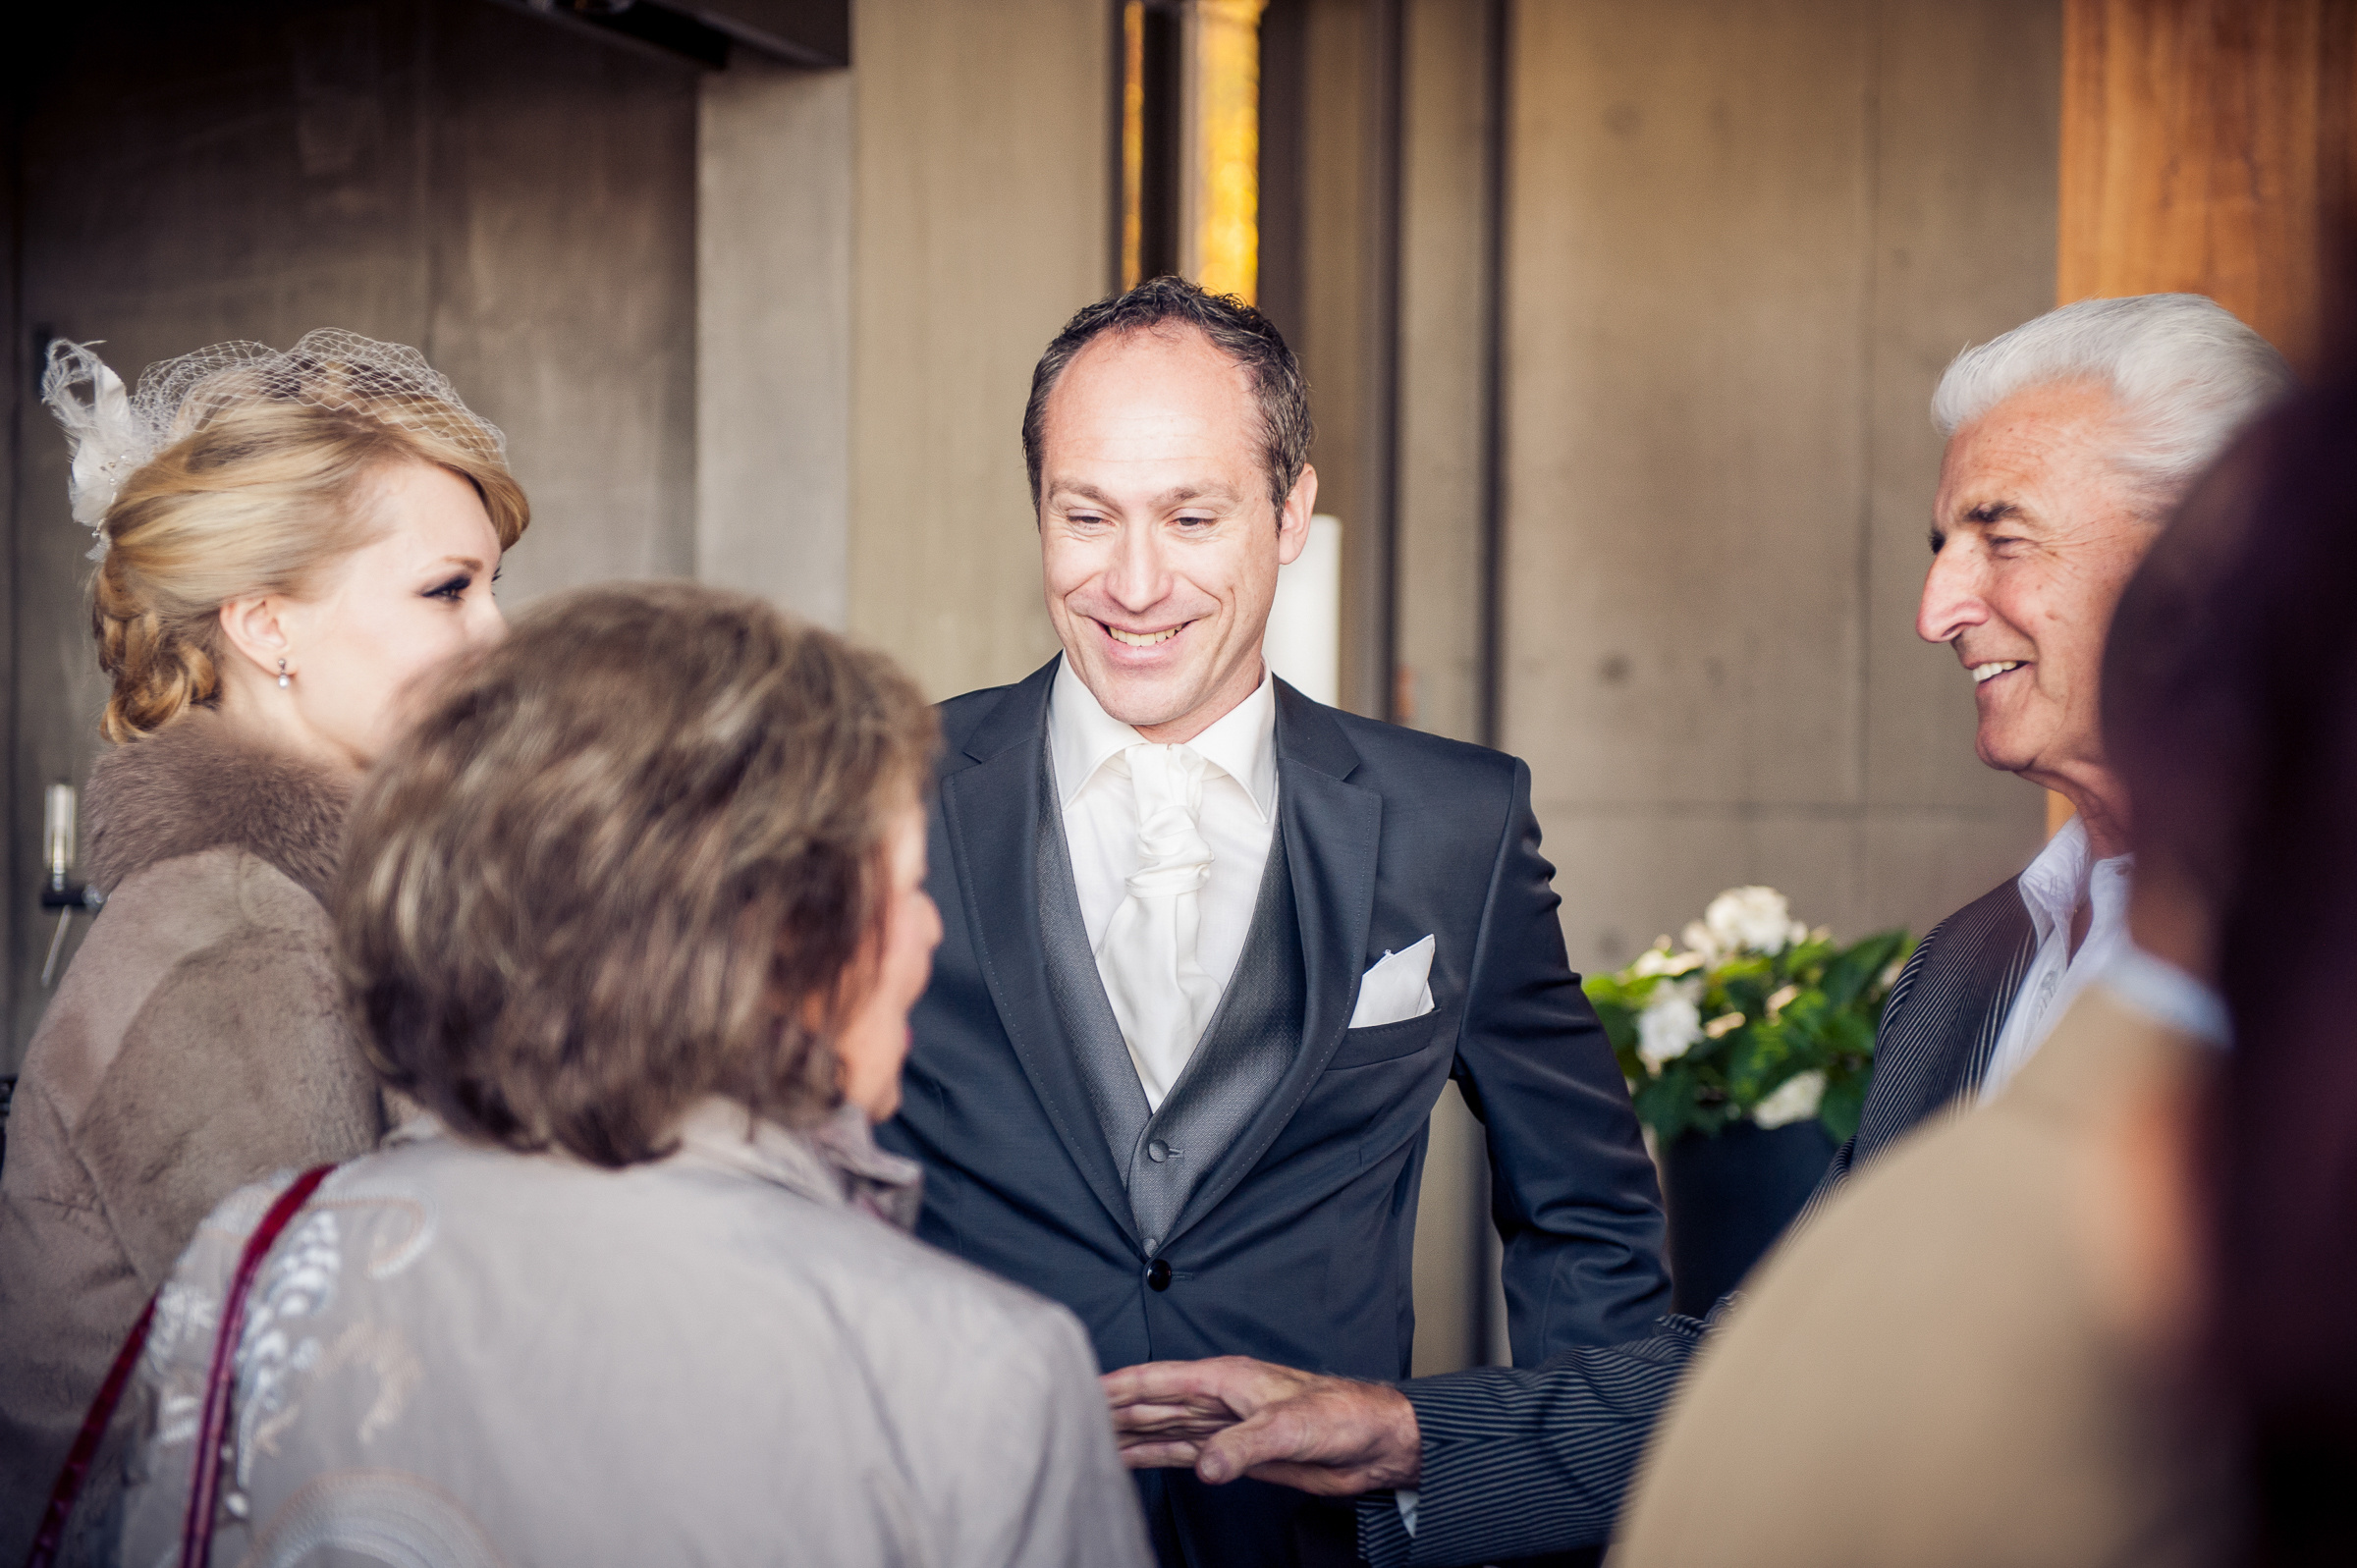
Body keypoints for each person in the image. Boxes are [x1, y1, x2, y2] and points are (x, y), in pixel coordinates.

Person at [1101, 293, 2292, 1566]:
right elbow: (1789, 1351)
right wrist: (1406, 1436)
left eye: (1999, 539)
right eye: (1942, 543)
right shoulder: (1967, 970)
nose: (1937, 607)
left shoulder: (2310, 983)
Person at [92, 582, 1152, 1567]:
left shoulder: (251, 1256)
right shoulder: (986, 1377)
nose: (927, 933)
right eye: (905, 888)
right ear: (775, 940)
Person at [875, 275, 1671, 1565]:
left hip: (1309, 1542)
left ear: (1292, 511)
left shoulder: (1453, 821)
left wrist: (1559, 1499)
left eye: (1193, 515)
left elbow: (1584, 1207)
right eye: (1087, 516)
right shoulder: (875, 789)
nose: (1135, 583)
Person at [0, 331, 528, 1561]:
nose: (500, 637)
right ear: (264, 625)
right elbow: (354, 1415)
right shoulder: (234, 939)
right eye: (449, 589)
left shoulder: (305, 914)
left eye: (497, 584)